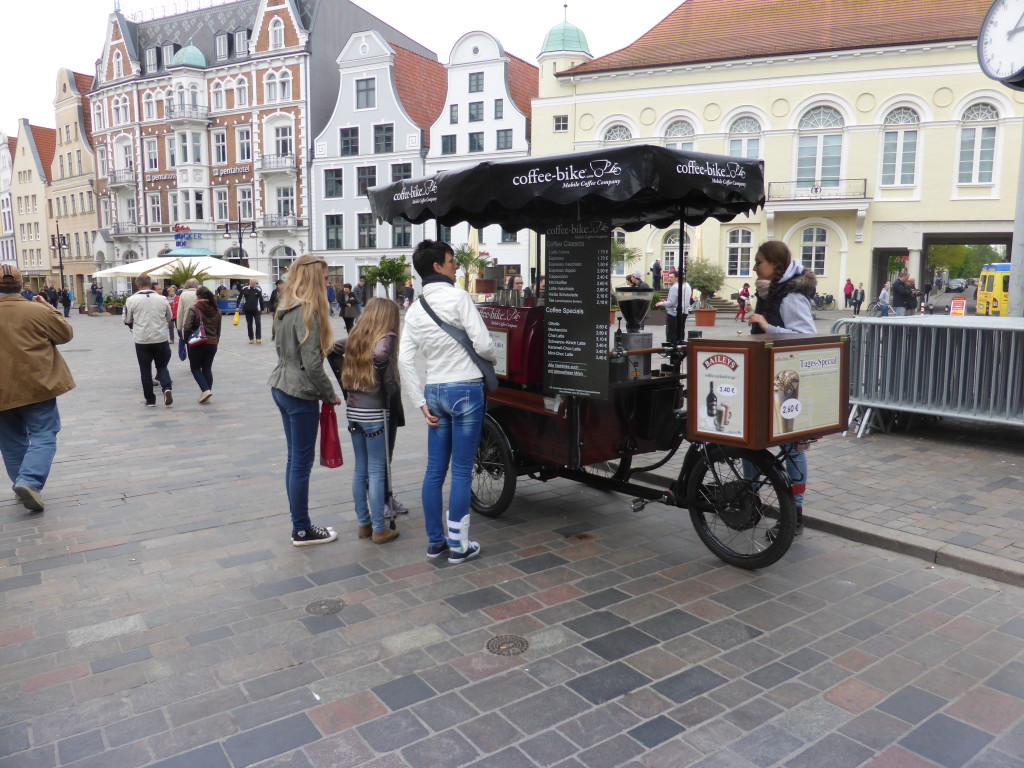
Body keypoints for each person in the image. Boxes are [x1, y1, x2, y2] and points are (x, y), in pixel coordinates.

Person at [398, 240, 497, 564]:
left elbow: (405, 360)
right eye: (452, 261)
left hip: (435, 392)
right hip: (466, 388)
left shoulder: (414, 308)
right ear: (438, 267)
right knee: (462, 471)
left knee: (434, 471)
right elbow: (483, 344)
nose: (457, 266)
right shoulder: (458, 298)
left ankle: (435, 542)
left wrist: (418, 400)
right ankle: (458, 546)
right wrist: (492, 357)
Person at [268, 254, 340, 546]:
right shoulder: (309, 310)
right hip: (299, 393)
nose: (328, 282)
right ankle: (301, 528)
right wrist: (329, 393)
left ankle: (299, 524)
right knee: (300, 463)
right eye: (324, 277)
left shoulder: (285, 308)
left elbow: (282, 350)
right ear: (313, 278)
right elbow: (312, 364)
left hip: (281, 385)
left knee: (293, 460)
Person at [747, 240, 815, 540]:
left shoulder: (791, 296)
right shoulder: (771, 291)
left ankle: (795, 515)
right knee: (750, 443)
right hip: (764, 377)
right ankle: (750, 501)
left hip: (786, 381)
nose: (754, 267)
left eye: (759, 261)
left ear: (776, 265)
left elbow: (805, 337)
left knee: (791, 447)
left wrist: (766, 325)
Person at [0, 265, 75, 512]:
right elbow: (65, 334)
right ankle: (29, 481)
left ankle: (22, 485)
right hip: (37, 384)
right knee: (43, 434)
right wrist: (46, 306)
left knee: (11, 441)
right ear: (22, 285)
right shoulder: (36, 310)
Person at [336, 298, 402, 544]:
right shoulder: (387, 337)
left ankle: (363, 524)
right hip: (375, 412)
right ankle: (378, 528)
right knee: (375, 470)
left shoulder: (357, 336)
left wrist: (345, 382)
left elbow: (333, 348)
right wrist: (389, 385)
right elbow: (381, 354)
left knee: (360, 469)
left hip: (354, 411)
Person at [124, 274, 174, 407]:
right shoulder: (162, 298)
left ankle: (150, 400)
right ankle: (167, 388)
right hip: (160, 337)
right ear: (151, 285)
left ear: (137, 285)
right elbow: (169, 317)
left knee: (145, 370)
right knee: (162, 366)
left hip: (142, 339)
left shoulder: (131, 300)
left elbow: (127, 319)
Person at [180, 286, 222, 404]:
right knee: (207, 368)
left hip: (197, 342)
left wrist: (186, 339)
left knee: (195, 368)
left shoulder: (194, 309)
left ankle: (205, 390)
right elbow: (218, 329)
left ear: (198, 296)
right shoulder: (217, 310)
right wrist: (216, 340)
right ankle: (207, 392)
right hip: (212, 342)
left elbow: (187, 326)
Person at [656, 270, 691, 345]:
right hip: (682, 312)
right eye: (669, 277)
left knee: (672, 333)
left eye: (671, 277)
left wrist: (662, 303)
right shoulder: (685, 286)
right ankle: (679, 348)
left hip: (674, 313)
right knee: (680, 332)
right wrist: (666, 301)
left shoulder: (674, 287)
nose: (669, 279)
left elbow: (671, 303)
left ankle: (672, 350)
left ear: (677, 278)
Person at [238, 279, 265, 343]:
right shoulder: (244, 289)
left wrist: (262, 309)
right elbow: (240, 297)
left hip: (256, 310)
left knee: (258, 323)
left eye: (255, 283)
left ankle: (258, 338)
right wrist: (237, 306)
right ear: (249, 282)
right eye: (253, 283)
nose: (254, 284)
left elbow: (261, 300)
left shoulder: (258, 290)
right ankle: (251, 338)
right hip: (247, 310)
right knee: (249, 324)